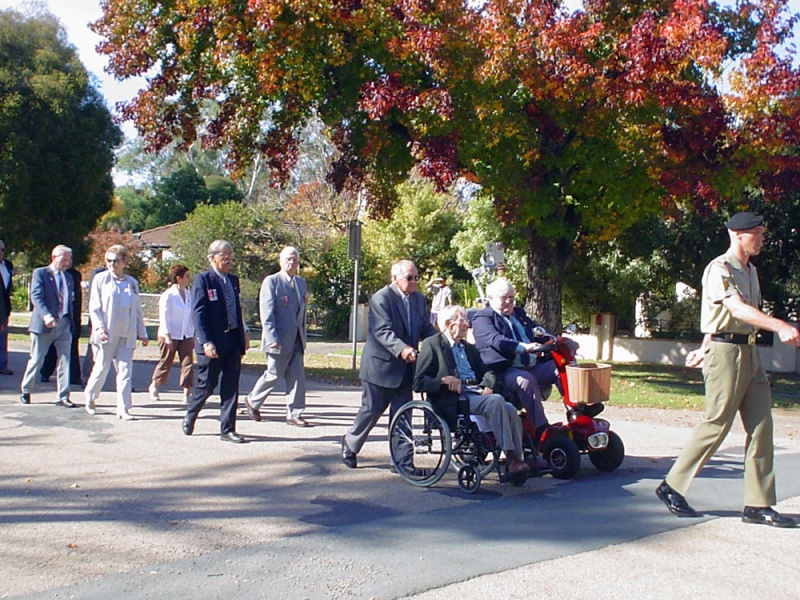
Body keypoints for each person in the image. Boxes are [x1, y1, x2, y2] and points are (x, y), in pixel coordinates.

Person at [656, 212, 800, 528]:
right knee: (717, 422)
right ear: (738, 235)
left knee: (762, 426)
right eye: (757, 233)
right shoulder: (719, 269)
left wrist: (700, 348)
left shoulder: (751, 271)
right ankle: (672, 485)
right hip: (726, 353)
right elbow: (733, 309)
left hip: (748, 351)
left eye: (762, 232)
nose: (762, 238)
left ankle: (757, 504)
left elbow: (732, 316)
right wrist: (778, 325)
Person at [341, 259, 437, 468]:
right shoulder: (381, 299)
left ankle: (402, 462)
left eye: (416, 278)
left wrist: (442, 340)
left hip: (406, 369)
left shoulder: (419, 300)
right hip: (380, 368)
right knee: (371, 410)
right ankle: (350, 443)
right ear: (394, 278)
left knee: (403, 414)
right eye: (409, 278)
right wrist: (402, 349)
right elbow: (382, 331)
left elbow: (425, 329)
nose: (414, 282)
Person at [414, 305, 530, 476]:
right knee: (496, 401)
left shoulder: (468, 348)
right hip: (453, 398)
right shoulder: (432, 345)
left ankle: (518, 459)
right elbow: (419, 382)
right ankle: (512, 458)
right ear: (448, 323)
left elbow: (488, 372)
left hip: (475, 392)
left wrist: (487, 385)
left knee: (510, 409)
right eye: (463, 320)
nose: (467, 324)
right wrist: (443, 381)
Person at [471, 278, 558, 437]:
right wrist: (523, 348)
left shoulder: (519, 314)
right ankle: (542, 430)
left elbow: (537, 333)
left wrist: (553, 340)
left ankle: (577, 410)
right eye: (503, 298)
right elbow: (496, 340)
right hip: (504, 370)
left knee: (560, 367)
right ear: (490, 298)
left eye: (511, 298)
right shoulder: (483, 318)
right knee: (526, 380)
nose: (508, 302)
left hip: (532, 365)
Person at [183, 240, 249, 443]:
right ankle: (191, 414)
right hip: (212, 342)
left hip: (232, 339)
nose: (228, 258)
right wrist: (206, 342)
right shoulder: (203, 280)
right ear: (212, 258)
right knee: (207, 385)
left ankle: (227, 429)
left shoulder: (233, 280)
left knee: (231, 386)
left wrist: (244, 334)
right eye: (223, 254)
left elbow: (236, 310)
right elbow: (198, 314)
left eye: (230, 253)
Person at [244, 246, 311, 426]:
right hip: (278, 340)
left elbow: (301, 314)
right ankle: (253, 401)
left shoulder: (301, 284)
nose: (292, 262)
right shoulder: (272, 282)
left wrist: (303, 337)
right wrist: (272, 337)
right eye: (288, 259)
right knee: (273, 374)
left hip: (296, 339)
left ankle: (294, 413)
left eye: (295, 260)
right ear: (280, 261)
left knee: (297, 377)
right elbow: (267, 312)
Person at [83, 245, 149, 420]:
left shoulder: (131, 282)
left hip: (126, 333)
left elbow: (137, 311)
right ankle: (90, 398)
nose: (112, 264)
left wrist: (142, 332)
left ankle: (123, 408)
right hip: (106, 332)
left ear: (124, 262)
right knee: (101, 369)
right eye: (109, 261)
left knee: (125, 371)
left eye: (116, 261)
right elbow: (94, 307)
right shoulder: (100, 279)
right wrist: (99, 328)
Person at [19, 245, 76, 407]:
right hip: (44, 325)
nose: (66, 263)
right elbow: (36, 296)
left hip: (64, 323)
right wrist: (46, 315)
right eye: (63, 259)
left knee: (65, 360)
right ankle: (26, 389)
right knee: (37, 358)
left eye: (68, 260)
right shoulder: (41, 273)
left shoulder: (69, 278)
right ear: (53, 257)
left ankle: (63, 396)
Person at [148, 264, 195, 403]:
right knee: (166, 361)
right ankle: (155, 385)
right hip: (169, 334)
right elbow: (164, 317)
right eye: (186, 276)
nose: (188, 279)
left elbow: (191, 314)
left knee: (188, 362)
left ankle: (187, 391)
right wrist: (167, 336)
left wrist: (193, 334)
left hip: (186, 334)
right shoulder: (168, 295)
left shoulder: (188, 294)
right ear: (178, 278)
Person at [40, 265, 82, 385]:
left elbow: (76, 300)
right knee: (49, 349)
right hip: (52, 318)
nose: (67, 262)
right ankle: (45, 372)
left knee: (69, 351)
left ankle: (72, 378)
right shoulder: (45, 273)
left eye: (69, 259)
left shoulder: (73, 275)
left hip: (68, 319)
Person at [0, 239, 13, 375]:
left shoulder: (7, 266)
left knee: (2, 336)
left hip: (4, 307)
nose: (0, 253)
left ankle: (2, 365)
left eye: (2, 250)